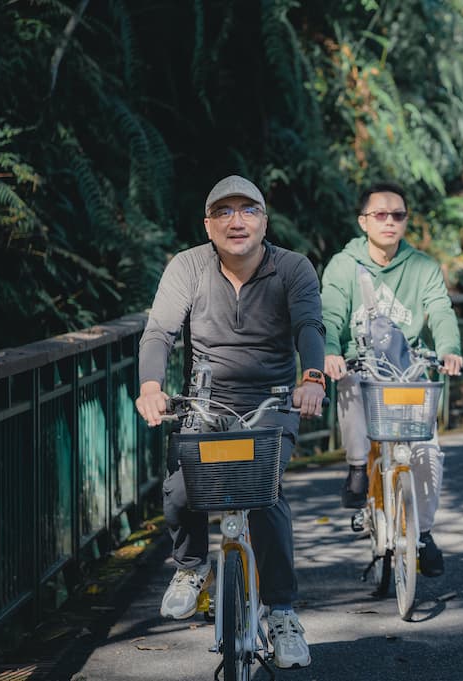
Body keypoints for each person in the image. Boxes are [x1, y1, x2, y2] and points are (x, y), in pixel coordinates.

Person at [136, 175, 325, 670]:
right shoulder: (188, 267)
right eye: (223, 211)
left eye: (248, 210)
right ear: (208, 223)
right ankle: (191, 570)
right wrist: (152, 387)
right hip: (205, 402)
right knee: (180, 490)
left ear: (265, 220)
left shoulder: (293, 268)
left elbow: (310, 325)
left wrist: (313, 379)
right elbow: (160, 331)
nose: (236, 220)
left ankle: (283, 613)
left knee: (265, 497)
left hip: (273, 401)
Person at [321, 181, 463, 578]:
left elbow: (441, 309)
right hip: (361, 365)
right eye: (380, 215)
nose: (389, 222)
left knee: (427, 452)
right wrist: (331, 351)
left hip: (407, 367)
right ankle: (355, 465)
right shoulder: (343, 265)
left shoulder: (422, 267)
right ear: (363, 221)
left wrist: (450, 349)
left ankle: (425, 533)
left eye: (397, 215)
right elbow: (330, 313)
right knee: (349, 385)